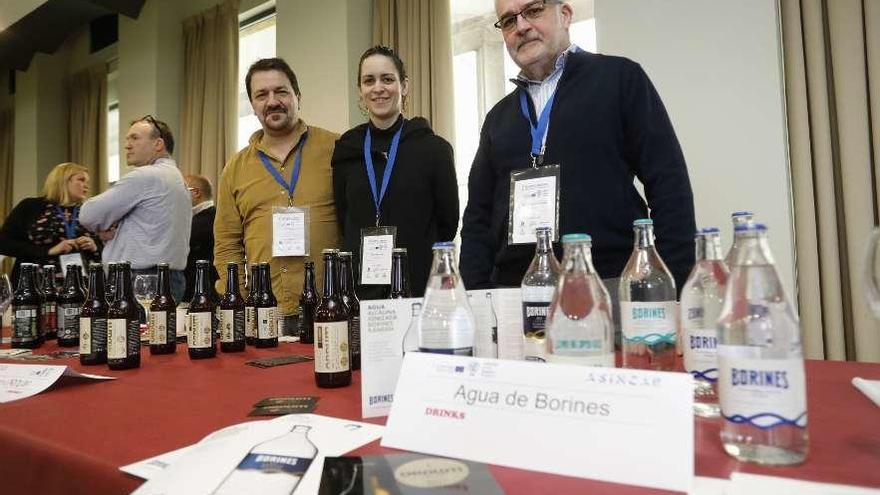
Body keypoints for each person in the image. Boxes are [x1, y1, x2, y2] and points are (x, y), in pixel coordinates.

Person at [461, 0, 696, 293]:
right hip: (513, 291)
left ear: (565, 14)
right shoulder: (498, 118)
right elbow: (477, 218)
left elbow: (669, 186)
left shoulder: (620, 78)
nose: (520, 26)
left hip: (609, 283)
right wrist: (479, 292)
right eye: (508, 21)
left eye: (533, 10)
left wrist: (670, 286)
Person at [214, 58, 341, 332]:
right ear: (253, 105)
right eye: (262, 95)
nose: (272, 101)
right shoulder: (234, 169)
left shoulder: (337, 149)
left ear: (298, 96)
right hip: (264, 313)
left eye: (281, 91)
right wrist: (240, 300)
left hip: (330, 308)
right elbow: (226, 245)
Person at [332, 46, 459, 299]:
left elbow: (448, 224)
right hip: (361, 292)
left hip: (419, 287)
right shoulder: (347, 149)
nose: (378, 88)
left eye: (387, 79)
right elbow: (344, 218)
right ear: (360, 90)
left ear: (404, 86)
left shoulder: (434, 149)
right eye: (369, 80)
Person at [79, 116, 191, 302]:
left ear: (158, 144)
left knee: (128, 332)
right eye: (127, 139)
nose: (127, 145)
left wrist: (106, 226)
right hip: (172, 278)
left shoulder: (145, 176)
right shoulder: (178, 179)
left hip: (139, 280)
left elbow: (87, 214)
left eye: (135, 138)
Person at [0, 162, 100, 286]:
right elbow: (4, 244)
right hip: (34, 284)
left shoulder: (88, 210)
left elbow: (105, 249)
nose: (87, 186)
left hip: (80, 285)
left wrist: (94, 246)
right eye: (81, 180)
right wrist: (49, 251)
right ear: (63, 181)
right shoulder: (31, 206)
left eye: (87, 181)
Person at [183, 174, 217, 302]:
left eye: (181, 190)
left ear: (196, 192)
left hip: (201, 293)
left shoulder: (207, 219)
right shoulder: (210, 216)